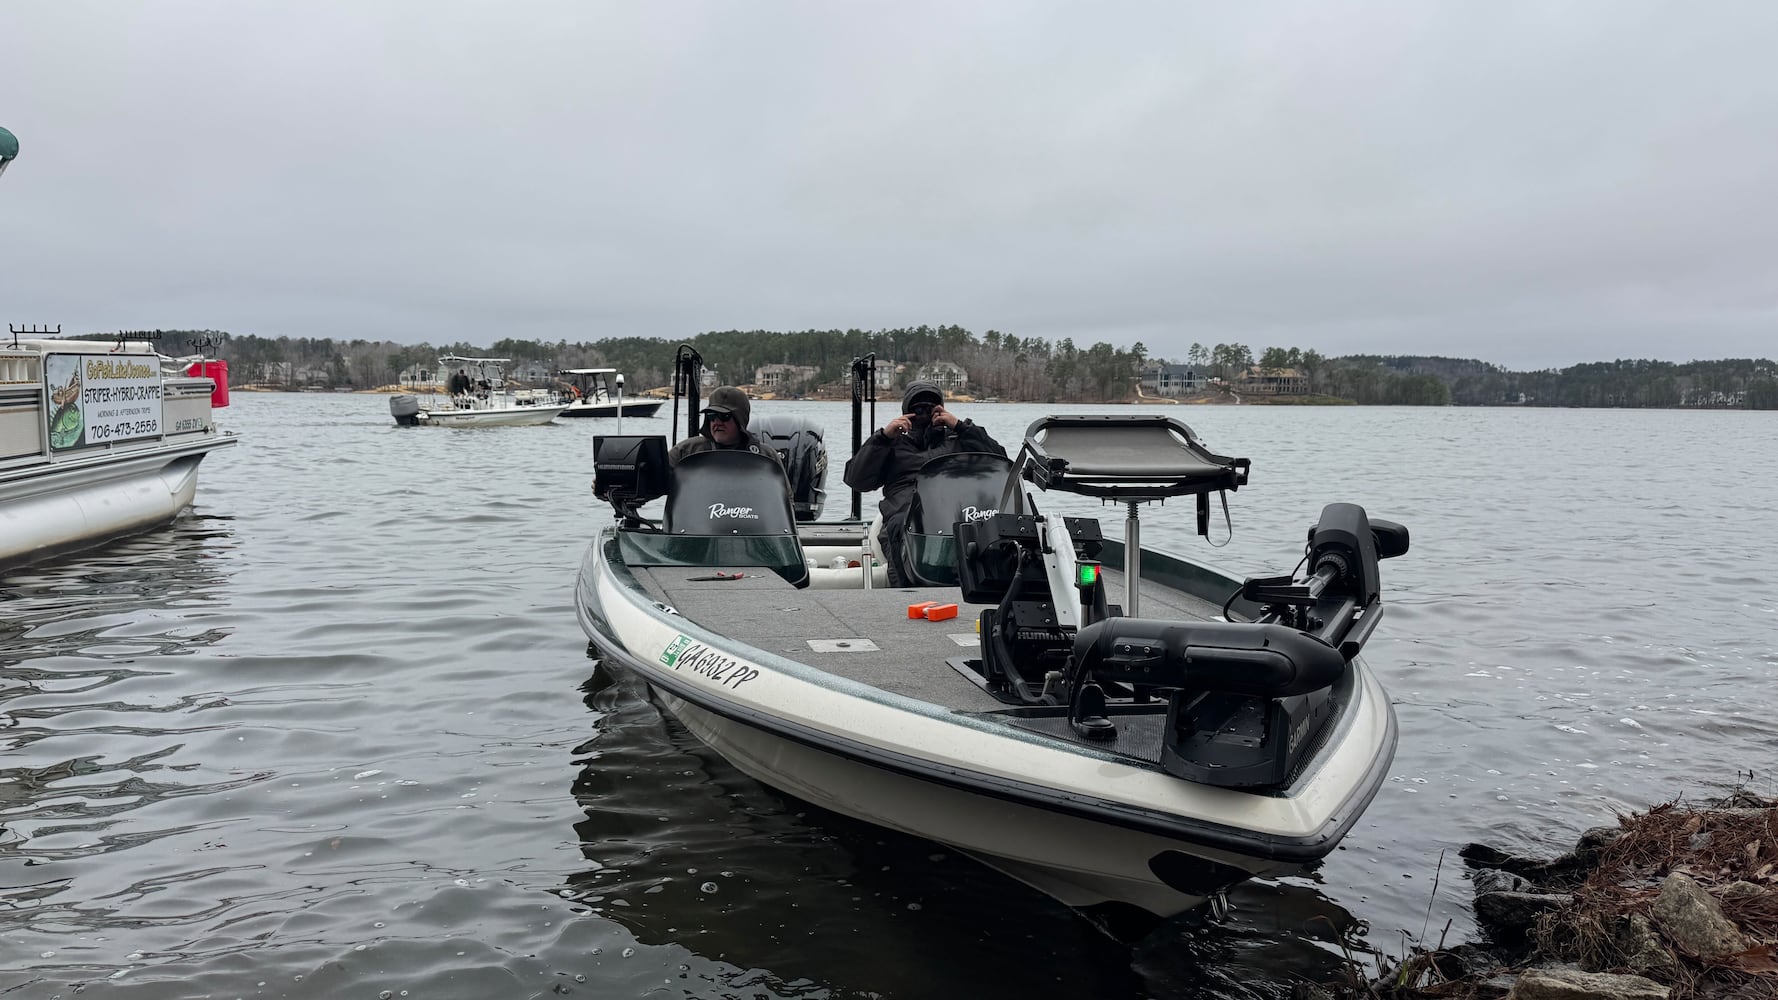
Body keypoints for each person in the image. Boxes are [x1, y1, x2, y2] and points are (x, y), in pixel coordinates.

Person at [843, 380, 1006, 586]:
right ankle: (904, 592)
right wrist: (882, 438)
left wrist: (961, 427)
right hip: (905, 513)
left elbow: (999, 461)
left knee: (984, 523)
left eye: (930, 407)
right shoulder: (891, 443)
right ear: (906, 410)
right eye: (917, 407)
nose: (923, 412)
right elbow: (857, 480)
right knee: (897, 526)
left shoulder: (958, 439)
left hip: (952, 510)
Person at [668, 385, 785, 471]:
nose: (717, 422)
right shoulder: (687, 451)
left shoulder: (766, 456)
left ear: (740, 419)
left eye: (724, 416)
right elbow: (656, 484)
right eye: (711, 415)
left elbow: (784, 499)